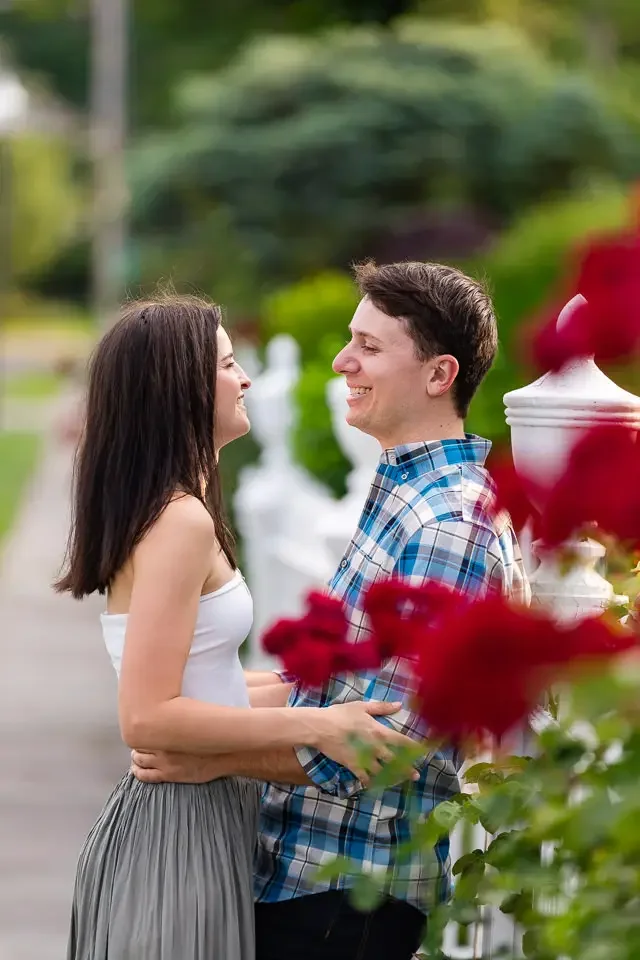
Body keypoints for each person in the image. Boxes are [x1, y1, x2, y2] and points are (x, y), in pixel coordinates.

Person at [132, 263, 530, 960]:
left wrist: (215, 759)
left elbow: (381, 747)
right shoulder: (406, 497)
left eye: (370, 348)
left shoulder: (446, 524)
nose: (344, 361)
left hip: (345, 905)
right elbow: (334, 695)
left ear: (440, 376)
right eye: (353, 339)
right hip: (305, 885)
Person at [57, 293, 417, 960]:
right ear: (181, 389)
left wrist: (299, 688)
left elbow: (203, 677)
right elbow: (147, 717)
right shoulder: (179, 522)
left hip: (197, 817)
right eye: (227, 364)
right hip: (175, 829)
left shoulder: (179, 510)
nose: (245, 377)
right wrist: (318, 725)